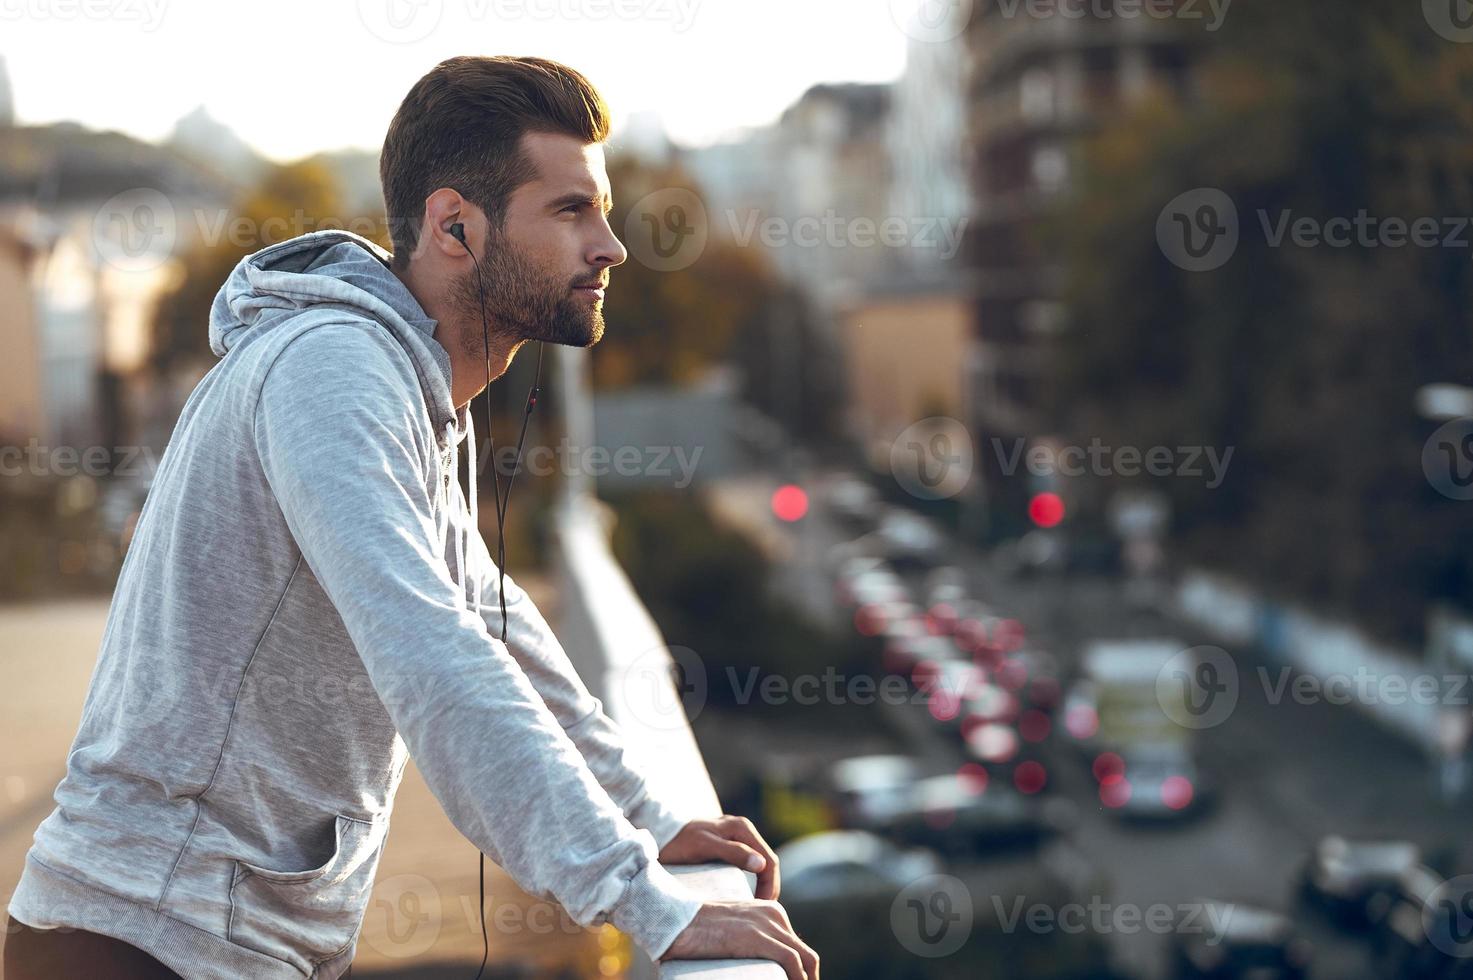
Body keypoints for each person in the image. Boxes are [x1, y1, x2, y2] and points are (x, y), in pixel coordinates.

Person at [4, 55, 818, 980]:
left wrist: (645, 816)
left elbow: (490, 624)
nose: (611, 245)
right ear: (453, 225)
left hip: (228, 945)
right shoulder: (333, 370)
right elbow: (433, 652)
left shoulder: (414, 391)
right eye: (569, 210)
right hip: (141, 941)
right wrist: (635, 899)